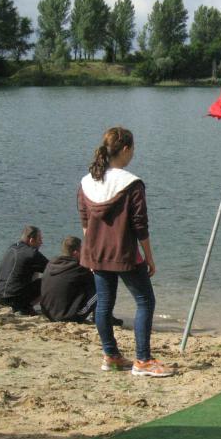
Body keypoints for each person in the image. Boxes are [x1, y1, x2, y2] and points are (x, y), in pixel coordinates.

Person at [78, 126, 174, 377]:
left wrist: (91, 253)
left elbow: (85, 223)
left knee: (104, 304)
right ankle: (143, 360)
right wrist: (149, 257)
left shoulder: (87, 182)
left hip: (97, 253)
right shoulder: (132, 183)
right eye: (133, 149)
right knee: (145, 301)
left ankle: (111, 355)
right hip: (125, 254)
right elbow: (140, 226)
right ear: (126, 149)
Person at [39, 235, 98, 323]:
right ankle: (101, 317)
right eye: (82, 249)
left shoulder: (51, 264)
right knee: (102, 289)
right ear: (75, 253)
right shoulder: (79, 268)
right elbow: (95, 283)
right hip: (69, 317)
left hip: (48, 313)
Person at [0, 225, 49, 315]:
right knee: (47, 280)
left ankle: (26, 306)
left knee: (32, 269)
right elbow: (53, 270)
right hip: (15, 299)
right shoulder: (32, 253)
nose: (41, 242)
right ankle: (26, 307)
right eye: (39, 239)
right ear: (31, 240)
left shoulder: (11, 248)